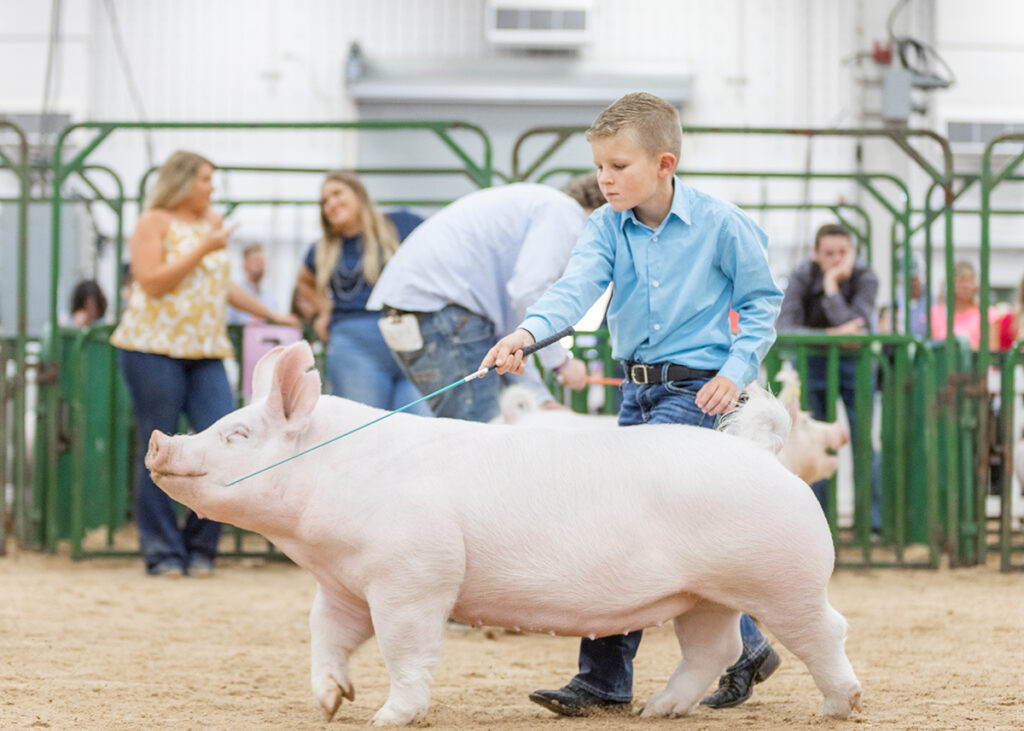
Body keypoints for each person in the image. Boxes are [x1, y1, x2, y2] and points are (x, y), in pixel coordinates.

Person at [482, 92, 785, 715]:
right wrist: (526, 335)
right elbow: (574, 290)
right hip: (637, 391)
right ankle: (743, 646)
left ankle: (604, 679)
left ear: (663, 163)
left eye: (618, 166)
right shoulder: (604, 226)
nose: (605, 179)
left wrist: (735, 370)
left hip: (696, 389)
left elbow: (761, 304)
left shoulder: (722, 224)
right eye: (600, 167)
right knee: (647, 531)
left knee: (621, 527)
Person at [110, 150, 298, 578]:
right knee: (157, 447)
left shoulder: (210, 224)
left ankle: (201, 547)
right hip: (151, 347)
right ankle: (162, 552)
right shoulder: (153, 221)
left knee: (224, 436)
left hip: (206, 351)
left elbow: (220, 284)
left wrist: (271, 314)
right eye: (205, 179)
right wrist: (203, 247)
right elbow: (152, 281)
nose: (211, 188)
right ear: (181, 182)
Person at [366, 175, 605, 421]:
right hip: (439, 308)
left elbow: (512, 332)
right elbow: (528, 294)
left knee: (472, 427)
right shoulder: (566, 214)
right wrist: (561, 363)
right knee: (479, 431)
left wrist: (541, 399)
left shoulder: (539, 209)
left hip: (412, 307)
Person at [295, 171, 430, 415]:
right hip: (354, 345)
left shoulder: (400, 224)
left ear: (358, 194)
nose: (331, 204)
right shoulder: (322, 249)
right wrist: (321, 312)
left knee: (418, 425)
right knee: (364, 428)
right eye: (324, 201)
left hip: (410, 339)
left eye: (337, 194)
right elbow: (304, 280)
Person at [775, 223, 881, 530]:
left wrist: (832, 286)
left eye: (842, 253)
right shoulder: (801, 275)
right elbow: (786, 328)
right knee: (810, 444)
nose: (836, 259)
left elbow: (856, 330)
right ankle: (818, 524)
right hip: (812, 366)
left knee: (864, 443)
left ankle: (872, 527)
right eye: (829, 254)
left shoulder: (865, 277)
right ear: (816, 254)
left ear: (853, 254)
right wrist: (832, 335)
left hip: (856, 365)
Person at [227, 244, 279, 325]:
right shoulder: (234, 295)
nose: (260, 265)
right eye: (256, 261)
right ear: (245, 264)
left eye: (262, 261)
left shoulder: (271, 299)